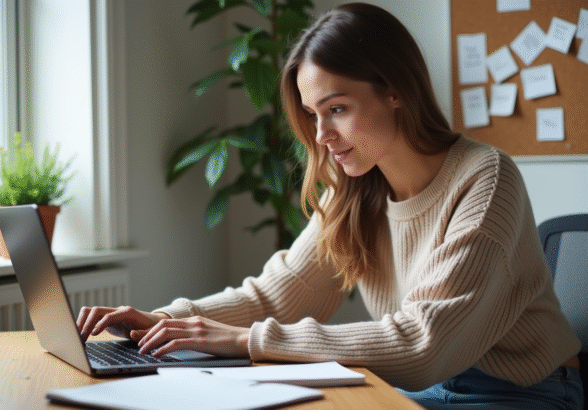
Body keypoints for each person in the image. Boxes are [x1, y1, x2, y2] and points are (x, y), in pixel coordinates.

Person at [77, 3, 583, 408]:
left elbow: (422, 346)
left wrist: (238, 339)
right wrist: (164, 320)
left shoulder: (485, 178)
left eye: (337, 109)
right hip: (424, 390)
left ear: (395, 92)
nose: (322, 138)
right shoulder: (355, 188)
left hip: (520, 392)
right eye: (313, 115)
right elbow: (276, 297)